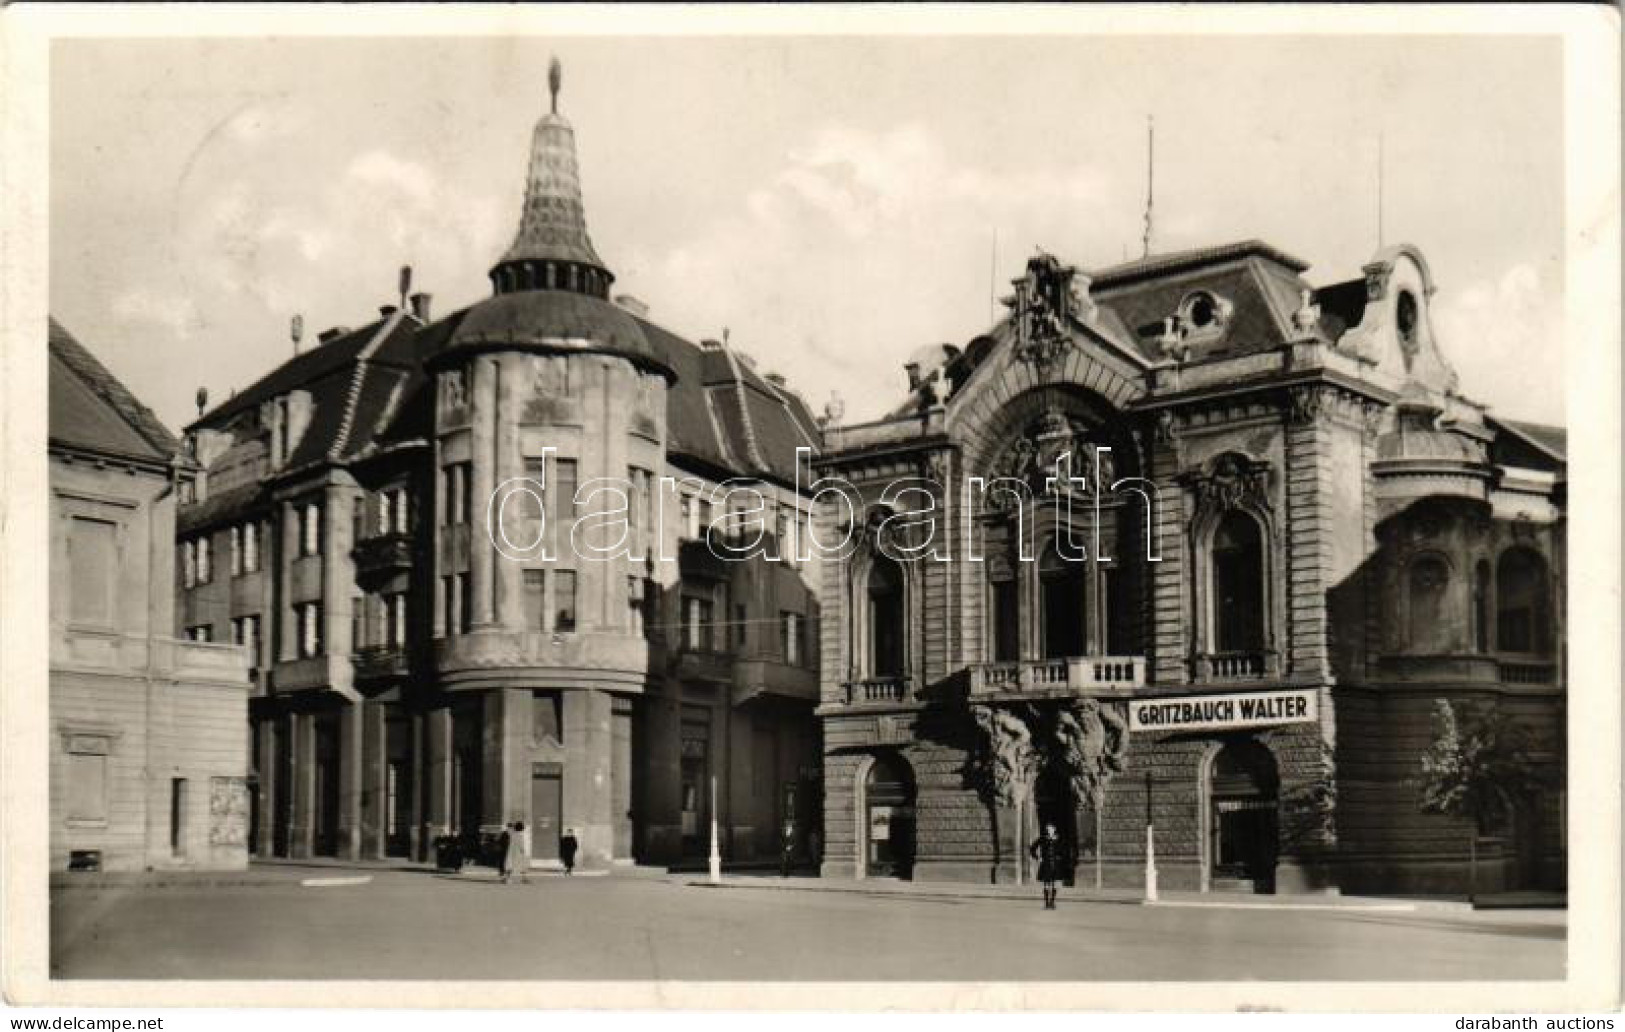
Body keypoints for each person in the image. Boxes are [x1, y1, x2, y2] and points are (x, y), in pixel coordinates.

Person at [1029, 823, 1062, 910]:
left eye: (1051, 829)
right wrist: (1037, 857)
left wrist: (1060, 857)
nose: (1049, 831)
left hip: (1055, 864)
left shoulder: (1058, 839)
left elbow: (1064, 849)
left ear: (1054, 830)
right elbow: (1032, 848)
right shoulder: (1043, 838)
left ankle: (1052, 902)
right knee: (1046, 884)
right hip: (1046, 864)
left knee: (1055, 884)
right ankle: (1047, 903)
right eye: (1048, 829)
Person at [505, 820, 530, 884]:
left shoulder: (512, 833)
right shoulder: (521, 835)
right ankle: (524, 878)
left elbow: (508, 827)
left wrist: (512, 825)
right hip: (519, 852)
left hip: (511, 851)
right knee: (523, 865)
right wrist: (523, 850)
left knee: (510, 865)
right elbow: (521, 844)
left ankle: (508, 879)